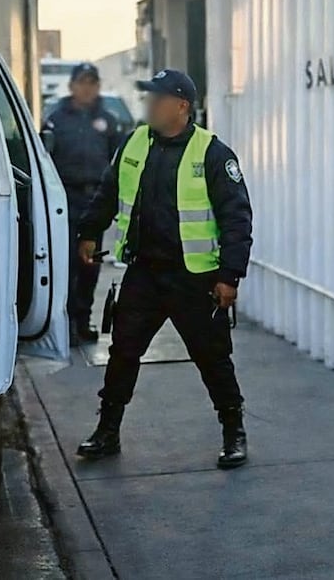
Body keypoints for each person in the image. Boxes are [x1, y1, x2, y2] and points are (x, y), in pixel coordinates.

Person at [74, 69, 253, 469]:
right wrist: (89, 231)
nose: (149, 105)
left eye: (157, 98)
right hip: (145, 274)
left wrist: (229, 275)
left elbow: (237, 218)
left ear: (181, 106)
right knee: (123, 353)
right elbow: (108, 192)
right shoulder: (135, 142)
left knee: (213, 358)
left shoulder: (212, 153)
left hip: (195, 278)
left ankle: (233, 431)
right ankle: (107, 431)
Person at [41, 62, 121, 346]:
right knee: (66, 265)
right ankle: (65, 323)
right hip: (65, 200)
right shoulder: (56, 119)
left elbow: (118, 162)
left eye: (92, 83)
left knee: (91, 265)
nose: (87, 88)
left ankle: (83, 319)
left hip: (95, 202)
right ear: (72, 86)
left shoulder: (108, 121)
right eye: (82, 82)